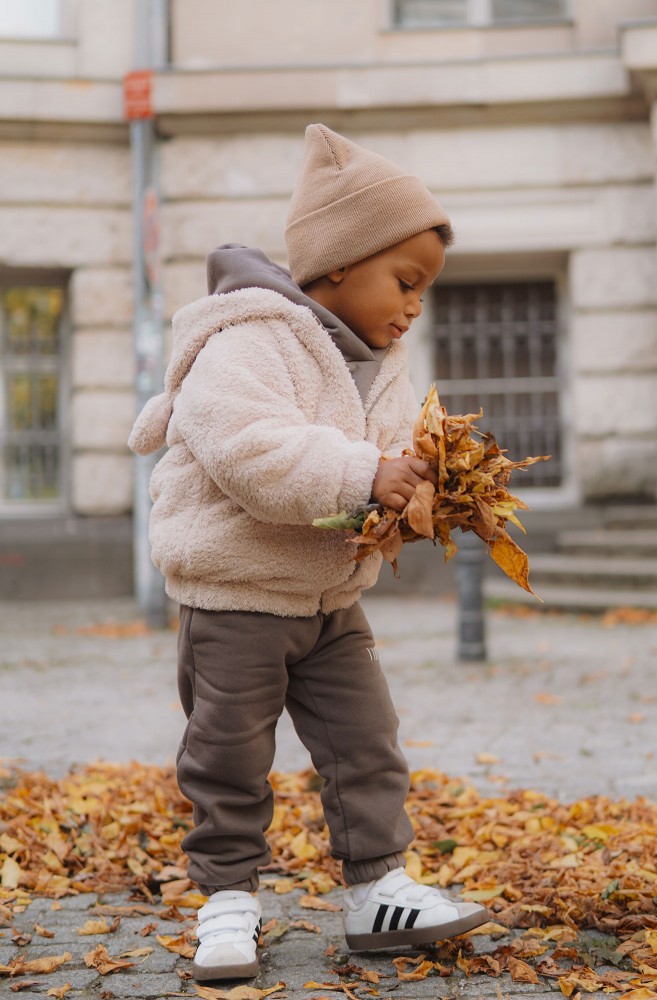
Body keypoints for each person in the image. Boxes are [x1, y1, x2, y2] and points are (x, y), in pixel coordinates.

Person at [128, 123, 490, 982]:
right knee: (227, 756)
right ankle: (227, 900)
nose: (414, 306)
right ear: (337, 263)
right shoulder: (247, 339)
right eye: (405, 281)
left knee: (367, 743)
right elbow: (251, 453)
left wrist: (419, 499)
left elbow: (392, 459)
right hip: (237, 597)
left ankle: (378, 890)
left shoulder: (381, 362)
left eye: (424, 290)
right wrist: (368, 475)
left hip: (329, 601)